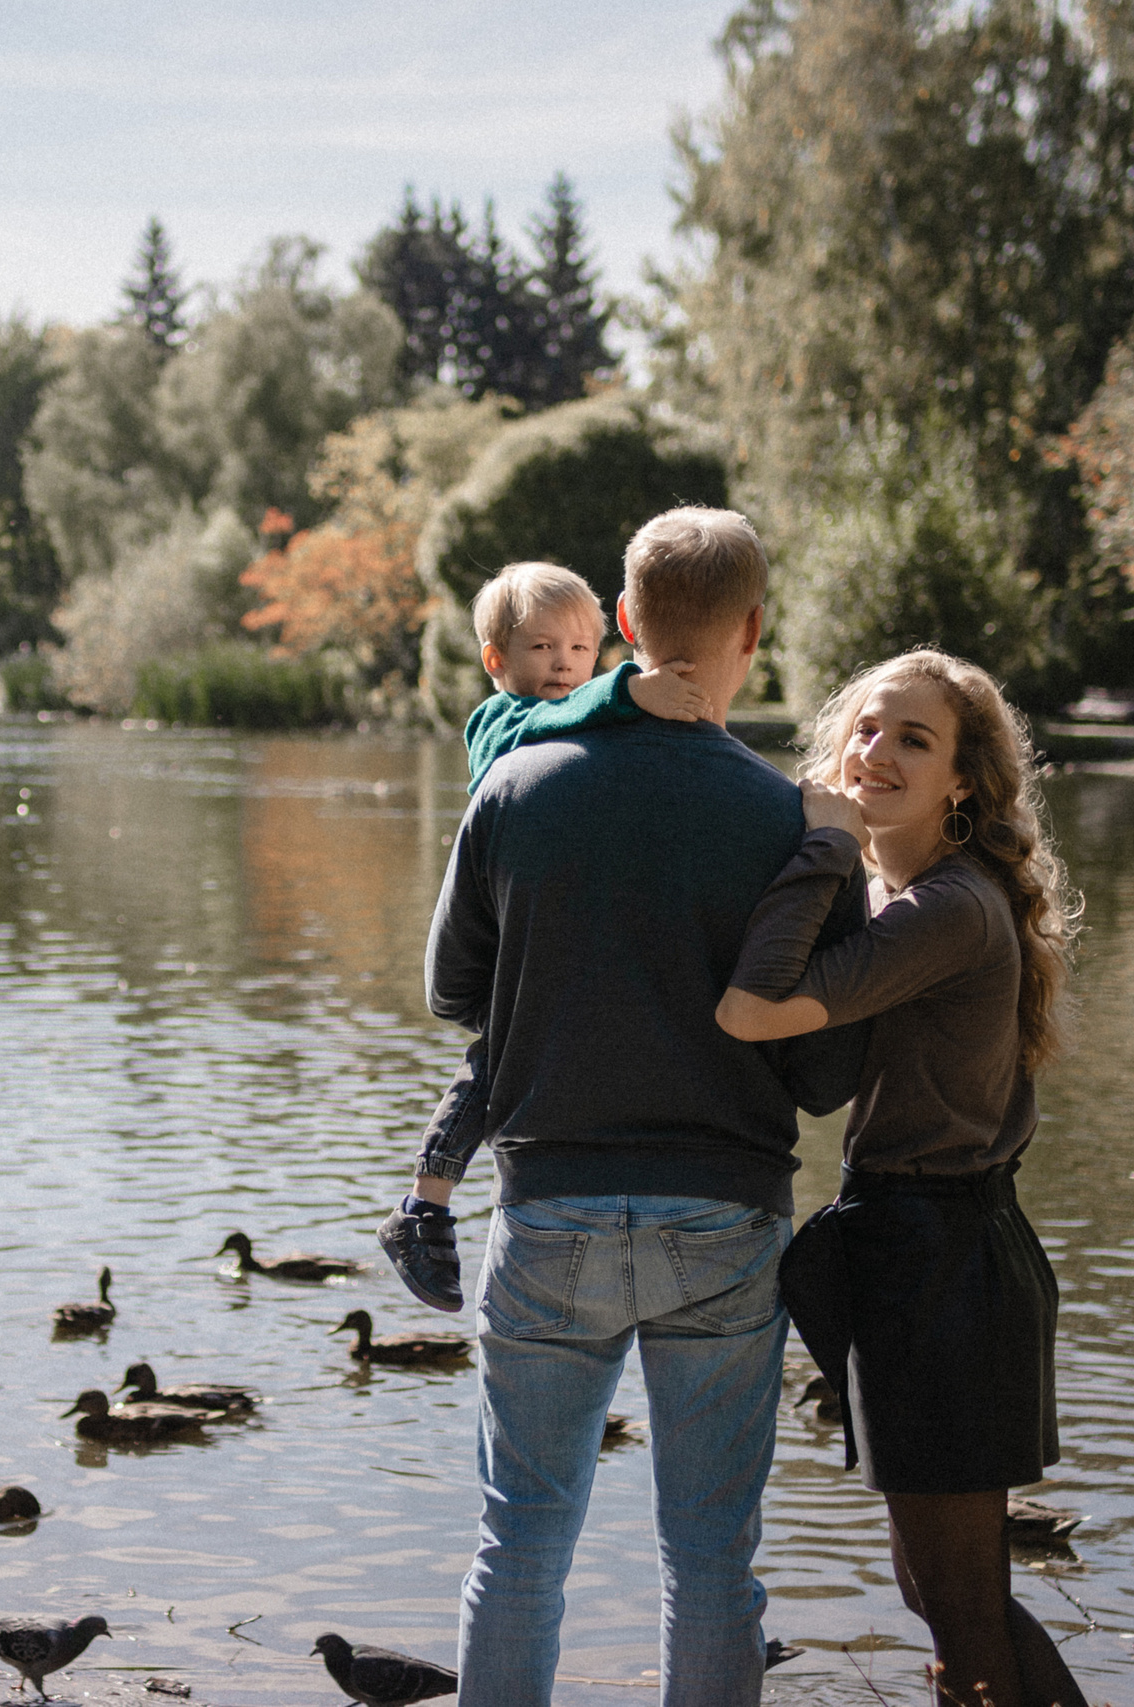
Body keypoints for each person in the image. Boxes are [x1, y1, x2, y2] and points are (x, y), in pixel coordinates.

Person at [424, 508, 867, 1707]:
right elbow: (825, 1077)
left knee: (519, 1541)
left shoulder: (515, 783)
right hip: (725, 1218)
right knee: (711, 1560)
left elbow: (452, 993)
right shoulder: (796, 824)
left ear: (621, 623)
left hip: (550, 1207)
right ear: (754, 631)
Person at [713, 648, 1086, 1707]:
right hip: (927, 1251)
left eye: (913, 740)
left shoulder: (946, 909)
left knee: (957, 1601)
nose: (875, 751)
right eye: (866, 728)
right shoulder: (907, 894)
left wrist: (825, 842)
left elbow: (751, 1010)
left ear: (962, 782)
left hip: (946, 1262)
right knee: (940, 1592)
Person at [383, 560, 713, 1311]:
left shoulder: (583, 715)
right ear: (496, 660)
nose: (564, 663)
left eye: (580, 648)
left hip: (556, 931)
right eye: (541, 647)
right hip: (511, 934)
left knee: (509, 1060)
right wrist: (630, 690)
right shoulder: (497, 721)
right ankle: (423, 1204)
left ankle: (436, 1201)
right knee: (492, 1060)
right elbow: (539, 729)